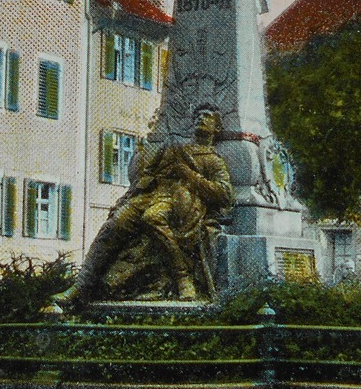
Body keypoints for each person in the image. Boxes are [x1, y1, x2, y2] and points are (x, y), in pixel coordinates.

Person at [59, 110, 235, 306]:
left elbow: (224, 194)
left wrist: (189, 175)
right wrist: (138, 189)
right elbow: (148, 172)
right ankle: (81, 285)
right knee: (115, 223)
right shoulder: (174, 147)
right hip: (151, 194)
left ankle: (182, 277)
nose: (201, 118)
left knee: (153, 218)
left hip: (178, 201)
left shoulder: (213, 159)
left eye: (208, 117)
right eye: (198, 116)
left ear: (217, 128)